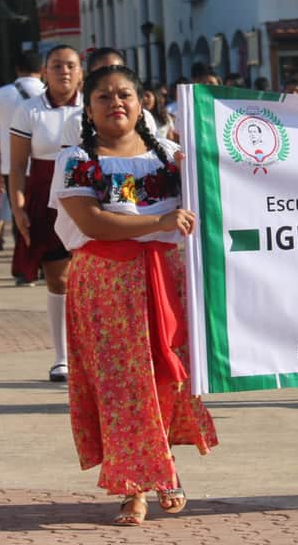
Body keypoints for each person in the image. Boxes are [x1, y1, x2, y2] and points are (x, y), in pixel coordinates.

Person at [50, 64, 217, 525]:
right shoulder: (76, 161)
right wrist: (159, 222)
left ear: (142, 102)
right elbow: (93, 222)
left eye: (124, 94)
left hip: (168, 277)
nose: (115, 103)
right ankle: (134, 489)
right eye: (104, 96)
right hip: (106, 281)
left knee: (168, 376)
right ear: (89, 108)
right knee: (123, 386)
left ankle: (161, 467)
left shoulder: (170, 156)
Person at [9, 45, 84, 381]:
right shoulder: (29, 110)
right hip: (45, 197)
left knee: (91, 274)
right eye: (56, 66)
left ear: (80, 71)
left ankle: (94, 351)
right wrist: (18, 206)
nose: (63, 72)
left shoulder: (94, 104)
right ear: (44, 71)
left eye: (70, 65)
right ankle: (61, 355)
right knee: (58, 277)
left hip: (89, 194)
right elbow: (16, 164)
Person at [0, 51, 46, 276]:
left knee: (20, 217)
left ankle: (25, 267)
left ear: (17, 69)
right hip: (45, 165)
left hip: (13, 167)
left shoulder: (1, 94)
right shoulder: (51, 93)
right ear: (42, 69)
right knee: (46, 216)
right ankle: (45, 265)